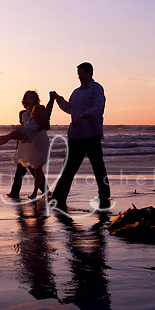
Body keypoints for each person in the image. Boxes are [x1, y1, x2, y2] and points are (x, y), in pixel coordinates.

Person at [48, 62, 110, 209]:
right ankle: (59, 197)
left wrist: (83, 116)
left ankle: (104, 194)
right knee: (69, 166)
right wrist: (58, 99)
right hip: (76, 135)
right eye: (78, 74)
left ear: (89, 73)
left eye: (81, 74)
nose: (79, 77)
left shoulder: (97, 88)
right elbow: (70, 108)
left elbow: (98, 107)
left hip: (92, 133)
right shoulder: (76, 92)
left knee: (98, 166)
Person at [0, 93, 53, 199]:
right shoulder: (24, 114)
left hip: (38, 142)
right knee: (24, 167)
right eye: (27, 98)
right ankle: (42, 191)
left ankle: (39, 191)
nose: (29, 100)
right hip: (26, 142)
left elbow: (44, 123)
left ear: (36, 100)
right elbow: (24, 130)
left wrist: (52, 100)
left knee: (34, 168)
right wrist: (19, 144)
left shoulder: (40, 112)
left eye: (31, 98)